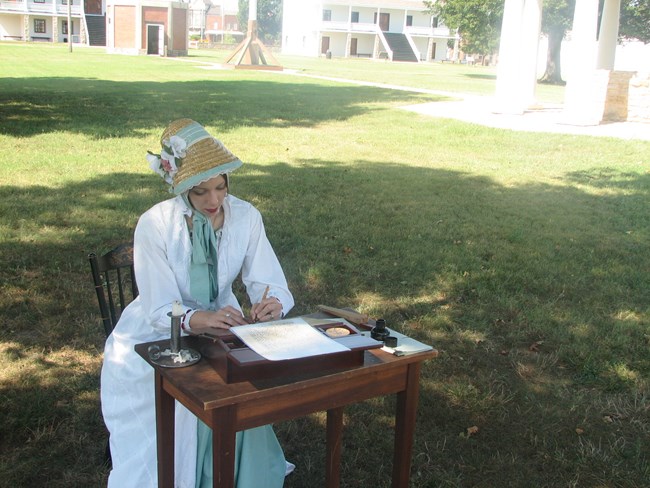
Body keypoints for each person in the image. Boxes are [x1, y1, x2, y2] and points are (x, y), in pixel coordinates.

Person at [100, 118, 295, 488]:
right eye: (201, 191)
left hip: (222, 325)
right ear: (183, 187)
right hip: (156, 336)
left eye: (220, 187)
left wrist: (273, 303)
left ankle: (241, 473)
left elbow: (270, 281)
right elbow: (159, 308)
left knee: (239, 378)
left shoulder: (247, 217)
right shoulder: (155, 224)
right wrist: (199, 319)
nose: (214, 200)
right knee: (200, 387)